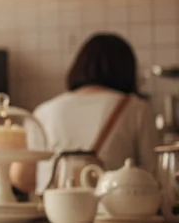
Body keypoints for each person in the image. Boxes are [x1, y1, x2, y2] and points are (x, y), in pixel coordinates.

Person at [16, 32, 159, 195]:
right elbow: (154, 173)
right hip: (112, 212)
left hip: (52, 212)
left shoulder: (43, 111)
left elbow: (23, 178)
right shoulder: (137, 108)